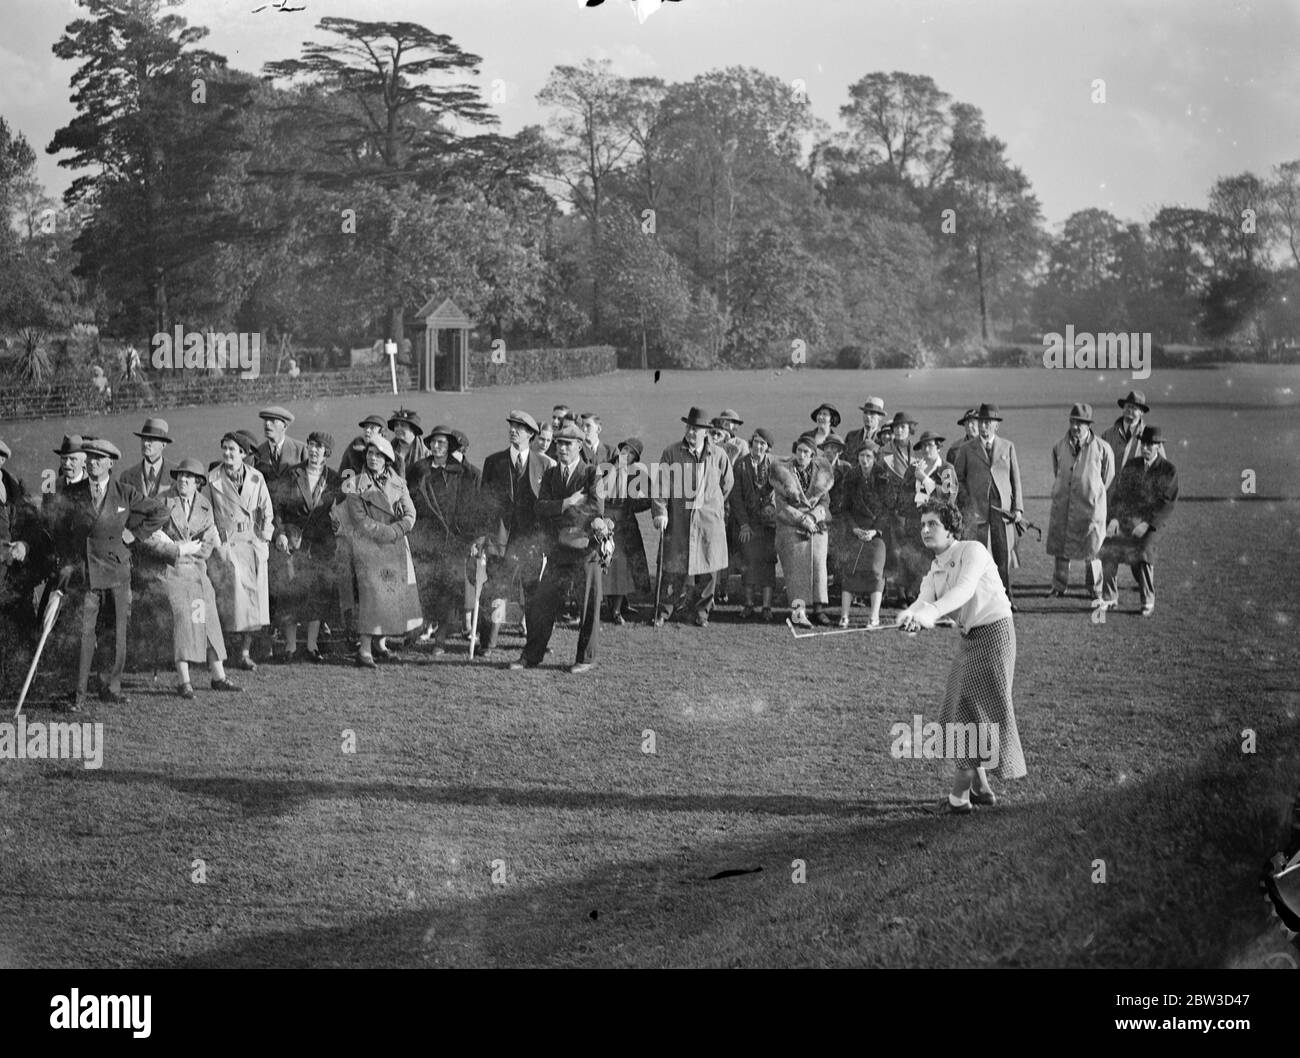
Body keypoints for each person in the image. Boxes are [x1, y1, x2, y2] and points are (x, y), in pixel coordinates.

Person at [899, 501, 1026, 814]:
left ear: (950, 528)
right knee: (960, 709)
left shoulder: (973, 551)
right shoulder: (936, 567)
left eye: (933, 524)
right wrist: (911, 616)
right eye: (923, 524)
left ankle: (959, 799)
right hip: (970, 639)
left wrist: (930, 613)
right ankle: (982, 790)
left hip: (995, 635)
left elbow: (964, 592)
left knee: (971, 713)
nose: (925, 530)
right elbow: (923, 599)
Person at [49, 438, 168, 710]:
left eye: (99, 458)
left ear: (110, 463)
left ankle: (110, 687)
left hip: (117, 571)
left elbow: (160, 512)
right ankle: (77, 694)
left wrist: (134, 534)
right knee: (84, 634)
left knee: (117, 632)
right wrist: (67, 564)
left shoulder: (125, 492)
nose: (92, 462)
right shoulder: (72, 493)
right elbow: (61, 533)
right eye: (89, 457)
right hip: (86, 572)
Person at [135, 458, 242, 698]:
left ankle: (218, 676)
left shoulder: (204, 505)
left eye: (189, 477)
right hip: (170, 572)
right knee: (183, 616)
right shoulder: (162, 501)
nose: (183, 480)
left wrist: (192, 550)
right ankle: (184, 681)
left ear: (198, 483)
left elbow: (208, 542)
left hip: (197, 571)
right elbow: (149, 538)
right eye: (180, 476)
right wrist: (179, 549)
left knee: (209, 618)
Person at [510, 424, 604, 673]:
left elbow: (595, 509)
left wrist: (558, 510)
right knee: (542, 603)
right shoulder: (551, 474)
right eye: (559, 443)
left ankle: (586, 658)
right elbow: (540, 508)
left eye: (568, 444)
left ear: (580, 446)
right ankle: (531, 656)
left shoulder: (592, 474)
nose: (561, 448)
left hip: (586, 551)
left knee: (588, 605)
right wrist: (567, 503)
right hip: (557, 551)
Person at [342, 437, 422, 667]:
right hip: (370, 549)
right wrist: (386, 532)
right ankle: (364, 650)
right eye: (369, 453)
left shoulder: (399, 482)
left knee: (389, 596)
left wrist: (397, 530)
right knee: (372, 598)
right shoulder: (355, 484)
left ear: (387, 459)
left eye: (378, 454)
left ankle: (380, 644)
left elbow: (410, 513)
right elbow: (359, 520)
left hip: (395, 547)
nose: (372, 458)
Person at [651, 407, 734, 628]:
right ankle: (664, 610)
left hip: (708, 523)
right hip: (679, 520)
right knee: (673, 568)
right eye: (688, 427)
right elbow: (660, 486)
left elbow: (727, 485)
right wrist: (661, 512)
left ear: (706, 431)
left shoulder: (718, 455)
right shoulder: (672, 452)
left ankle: (701, 612)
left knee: (708, 570)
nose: (690, 432)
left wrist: (710, 506)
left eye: (695, 429)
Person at [476, 411, 547, 657]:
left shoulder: (544, 464)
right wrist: (483, 536)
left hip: (530, 542)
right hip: (500, 538)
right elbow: (484, 503)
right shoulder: (493, 462)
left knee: (533, 593)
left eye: (519, 427)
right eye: (511, 426)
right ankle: (488, 643)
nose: (513, 430)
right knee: (495, 589)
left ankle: (537, 642)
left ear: (531, 434)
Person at [407, 425, 479, 654]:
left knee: (448, 590)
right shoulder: (419, 469)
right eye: (434, 442)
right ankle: (419, 630)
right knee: (425, 588)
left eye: (442, 443)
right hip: (426, 539)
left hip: (451, 541)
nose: (437, 447)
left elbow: (467, 507)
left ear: (450, 447)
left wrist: (466, 536)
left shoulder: (460, 473)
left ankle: (441, 638)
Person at [206, 431, 275, 671]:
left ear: (243, 454)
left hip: (252, 545)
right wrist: (218, 544)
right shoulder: (213, 479)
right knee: (230, 604)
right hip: (227, 546)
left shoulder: (256, 478)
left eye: (232, 449)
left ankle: (245, 653)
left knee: (252, 605)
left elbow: (267, 510)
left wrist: (264, 540)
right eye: (224, 448)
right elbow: (207, 514)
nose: (227, 453)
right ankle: (223, 654)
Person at [270, 432, 342, 661]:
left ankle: (312, 647)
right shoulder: (293, 474)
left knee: (317, 594)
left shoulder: (334, 478)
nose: (313, 450)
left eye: (319, 447)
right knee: (291, 592)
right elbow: (277, 507)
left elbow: (342, 509)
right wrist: (279, 533)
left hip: (321, 545)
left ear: (326, 453)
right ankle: (291, 647)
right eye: (311, 445)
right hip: (293, 541)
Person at [1101, 425, 1179, 616]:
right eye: (1143, 444)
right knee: (1108, 547)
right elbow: (1120, 495)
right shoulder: (1132, 466)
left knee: (1142, 553)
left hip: (1151, 524)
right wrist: (1114, 520)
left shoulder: (1168, 470)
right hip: (1127, 520)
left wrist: (1146, 524)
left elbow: (1166, 502)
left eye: (1150, 445)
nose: (1145, 448)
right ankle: (1110, 598)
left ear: (1158, 447)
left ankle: (1147, 600)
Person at [952, 403, 1023, 604]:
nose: (984, 427)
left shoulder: (1008, 447)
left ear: (996, 426)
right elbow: (958, 479)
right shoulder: (966, 449)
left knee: (1003, 555)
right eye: (981, 422)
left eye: (988, 423)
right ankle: (979, 599)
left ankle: (1005, 598)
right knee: (978, 555)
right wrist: (968, 503)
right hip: (977, 511)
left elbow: (1015, 478)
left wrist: (1017, 508)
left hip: (1003, 511)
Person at [1046, 403, 1114, 603]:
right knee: (1061, 547)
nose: (1076, 427)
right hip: (1064, 504)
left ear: (1089, 425)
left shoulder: (1103, 448)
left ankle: (1095, 588)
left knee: (1092, 548)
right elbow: (1057, 471)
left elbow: (1108, 477)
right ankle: (1059, 586)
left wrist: (1092, 493)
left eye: (1081, 423)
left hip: (1090, 508)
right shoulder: (1059, 446)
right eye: (1073, 422)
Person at [772, 435, 833, 627]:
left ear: (813, 455)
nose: (802, 455)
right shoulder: (783, 472)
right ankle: (798, 612)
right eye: (799, 450)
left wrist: (813, 517)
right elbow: (780, 504)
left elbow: (825, 501)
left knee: (818, 564)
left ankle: (819, 609)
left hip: (816, 523)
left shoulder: (822, 474)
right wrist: (801, 519)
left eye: (806, 452)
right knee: (796, 567)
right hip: (791, 525)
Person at [832, 439, 889, 628]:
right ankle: (844, 615)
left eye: (868, 456)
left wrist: (875, 531)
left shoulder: (883, 476)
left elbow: (887, 509)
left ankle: (874, 617)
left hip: (877, 533)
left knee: (875, 569)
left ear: (874, 458)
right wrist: (855, 528)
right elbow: (845, 508)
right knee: (850, 568)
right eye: (861, 456)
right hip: (855, 530)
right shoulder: (851, 477)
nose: (864, 460)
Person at [900, 430, 960, 600]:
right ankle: (914, 597)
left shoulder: (946, 468)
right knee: (914, 560)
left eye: (930, 445)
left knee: (937, 561)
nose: (927, 450)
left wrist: (925, 479)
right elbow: (902, 495)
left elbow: (949, 497)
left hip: (938, 524)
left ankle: (938, 597)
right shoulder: (913, 468)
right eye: (924, 446)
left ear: (938, 447)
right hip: (915, 522)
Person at [730, 428, 778, 621]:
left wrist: (772, 508)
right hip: (748, 524)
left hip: (768, 525)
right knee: (748, 562)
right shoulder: (741, 465)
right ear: (751, 443)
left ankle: (767, 607)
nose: (759, 446)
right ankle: (748, 604)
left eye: (763, 444)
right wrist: (743, 524)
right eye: (756, 442)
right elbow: (736, 498)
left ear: (768, 447)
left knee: (768, 563)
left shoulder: (774, 465)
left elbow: (781, 490)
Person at [601, 437, 651, 624]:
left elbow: (652, 495)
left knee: (622, 569)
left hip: (626, 525)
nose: (625, 455)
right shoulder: (606, 468)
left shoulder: (637, 474)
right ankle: (613, 606)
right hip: (606, 523)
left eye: (630, 453)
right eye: (624, 450)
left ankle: (616, 610)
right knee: (607, 566)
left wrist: (633, 505)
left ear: (634, 458)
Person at [1100, 390, 1149, 502]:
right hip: (1109, 499)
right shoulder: (1107, 435)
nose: (1129, 410)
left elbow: (1159, 468)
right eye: (1127, 406)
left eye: (1134, 408)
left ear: (1141, 412)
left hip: (1136, 501)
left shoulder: (1149, 437)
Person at [119, 418, 176, 499]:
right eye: (143, 439)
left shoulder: (178, 475)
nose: (145, 443)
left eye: (150, 439)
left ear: (163, 444)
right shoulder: (126, 477)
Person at [253, 406, 305, 485]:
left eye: (273, 421)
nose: (267, 424)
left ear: (284, 426)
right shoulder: (258, 453)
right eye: (266, 420)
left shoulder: (301, 450)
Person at [339, 414, 388, 480]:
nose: (367, 430)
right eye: (366, 427)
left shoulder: (389, 452)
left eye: (372, 428)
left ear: (382, 433)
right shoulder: (353, 450)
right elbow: (343, 475)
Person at [387, 408, 429, 479]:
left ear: (413, 429)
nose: (398, 428)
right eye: (396, 425)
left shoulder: (426, 452)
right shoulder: (388, 450)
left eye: (403, 425)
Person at [844, 397, 887, 465]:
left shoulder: (884, 439)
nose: (868, 416)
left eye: (872, 413)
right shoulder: (851, 436)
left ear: (880, 417)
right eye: (865, 412)